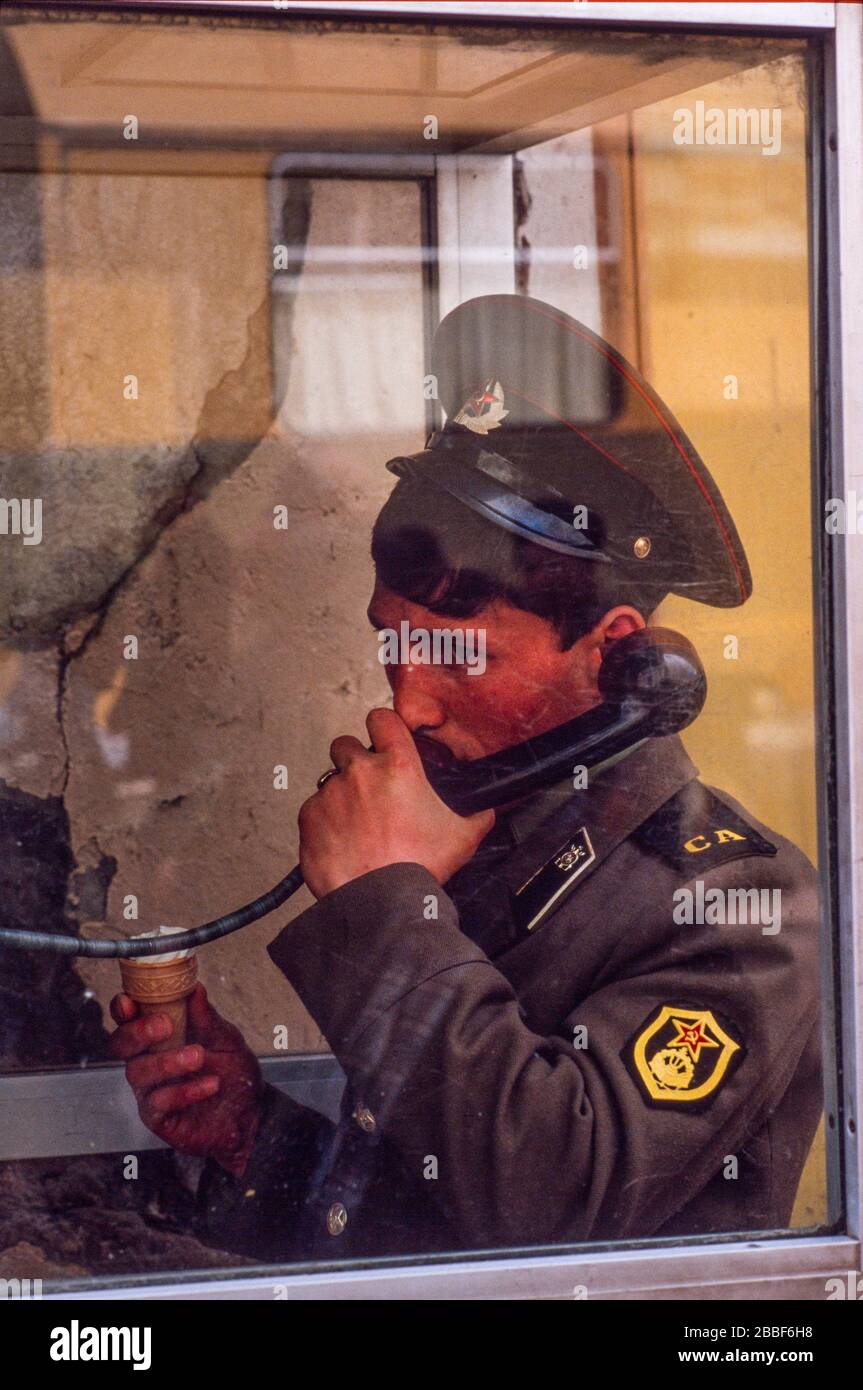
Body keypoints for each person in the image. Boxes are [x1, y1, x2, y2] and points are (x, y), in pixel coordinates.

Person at [109, 294, 821, 1260]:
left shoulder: (742, 906)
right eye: (391, 643)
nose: (408, 707)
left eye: (460, 657)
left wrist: (379, 903)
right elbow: (429, 1226)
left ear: (614, 655)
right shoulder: (471, 833)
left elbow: (553, 1207)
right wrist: (250, 1136)